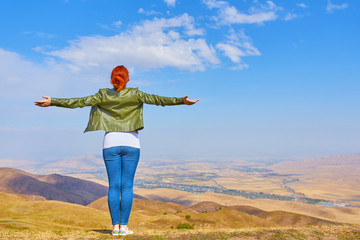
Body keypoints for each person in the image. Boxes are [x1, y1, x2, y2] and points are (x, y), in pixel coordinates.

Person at [34, 65, 199, 236]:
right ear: (127, 79)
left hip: (110, 142)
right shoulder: (136, 94)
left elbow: (79, 102)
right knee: (127, 186)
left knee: (114, 186)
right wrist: (182, 101)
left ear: (111, 79)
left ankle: (115, 228)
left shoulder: (103, 95)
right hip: (131, 142)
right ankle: (124, 228)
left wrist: (53, 101)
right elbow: (159, 100)